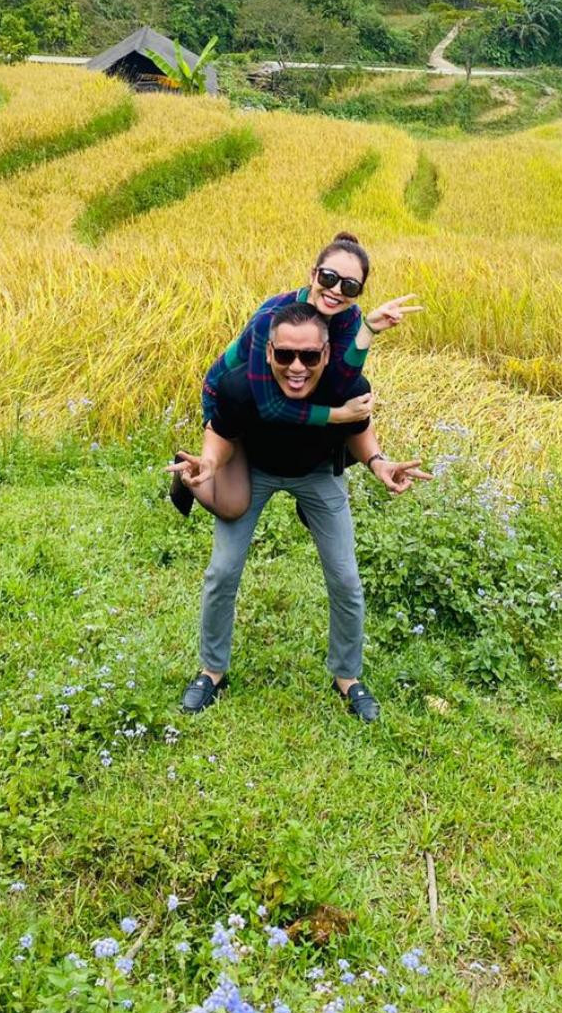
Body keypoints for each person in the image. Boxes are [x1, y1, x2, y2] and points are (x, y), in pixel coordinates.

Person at [173, 301, 431, 723]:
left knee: (346, 578)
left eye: (309, 356)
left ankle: (347, 677)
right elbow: (219, 433)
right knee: (222, 571)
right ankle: (212, 671)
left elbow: (360, 431)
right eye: (285, 355)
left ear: (326, 355)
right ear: (269, 350)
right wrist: (209, 465)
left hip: (316, 475)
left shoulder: (346, 385)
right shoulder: (243, 386)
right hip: (252, 469)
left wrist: (380, 463)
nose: (297, 366)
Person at [170, 231, 421, 520]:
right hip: (237, 397)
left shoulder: (349, 317)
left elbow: (340, 384)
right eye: (329, 278)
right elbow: (270, 406)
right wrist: (338, 415)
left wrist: (368, 330)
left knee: (342, 406)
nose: (337, 290)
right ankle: (190, 471)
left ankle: (311, 497)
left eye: (350, 286)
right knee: (232, 508)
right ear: (313, 275)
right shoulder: (273, 318)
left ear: (358, 293)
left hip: (287, 388)